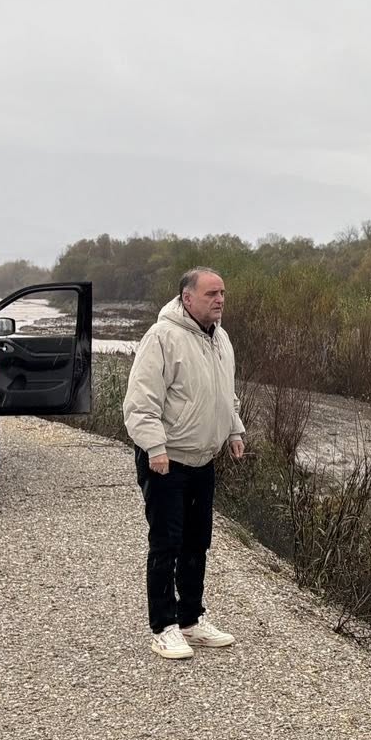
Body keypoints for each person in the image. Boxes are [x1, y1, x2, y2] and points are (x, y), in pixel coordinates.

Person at [124, 267, 246, 660]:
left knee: (197, 543)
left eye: (223, 293)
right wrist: (155, 447)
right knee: (166, 544)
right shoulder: (162, 337)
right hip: (166, 461)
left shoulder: (221, 339)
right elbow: (140, 402)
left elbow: (225, 394)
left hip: (202, 460)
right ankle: (163, 627)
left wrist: (234, 431)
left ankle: (191, 619)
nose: (220, 299)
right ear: (187, 298)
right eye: (211, 293)